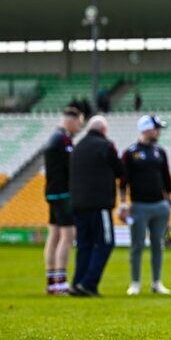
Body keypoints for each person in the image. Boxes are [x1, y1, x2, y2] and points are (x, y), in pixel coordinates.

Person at [119, 115, 171, 296]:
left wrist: (169, 199)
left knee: (158, 243)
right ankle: (135, 282)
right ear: (146, 129)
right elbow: (123, 182)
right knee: (137, 245)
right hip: (139, 205)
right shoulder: (130, 153)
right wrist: (123, 204)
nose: (158, 132)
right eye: (156, 128)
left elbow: (167, 178)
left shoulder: (160, 152)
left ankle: (156, 282)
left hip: (160, 205)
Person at [68, 116, 123, 297]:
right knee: (105, 243)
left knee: (84, 245)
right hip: (99, 204)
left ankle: (77, 283)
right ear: (104, 130)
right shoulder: (105, 145)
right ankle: (89, 283)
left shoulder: (78, 147)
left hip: (78, 204)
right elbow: (120, 170)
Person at [42, 107, 83, 295]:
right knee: (68, 236)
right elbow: (72, 167)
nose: (80, 127)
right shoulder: (63, 139)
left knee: (54, 235)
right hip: (64, 194)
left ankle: (51, 282)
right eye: (79, 123)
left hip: (51, 192)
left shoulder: (53, 137)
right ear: (71, 120)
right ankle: (61, 282)